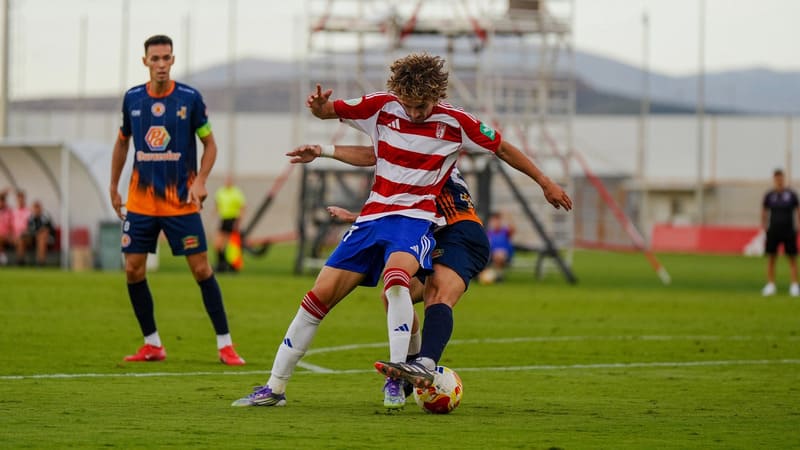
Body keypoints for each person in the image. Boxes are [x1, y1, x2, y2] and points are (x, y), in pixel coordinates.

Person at [231, 52, 572, 409]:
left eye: (421, 105)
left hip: (423, 223)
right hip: (372, 220)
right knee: (319, 295)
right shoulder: (381, 107)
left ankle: (399, 380)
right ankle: (275, 388)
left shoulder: (456, 124)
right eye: (407, 105)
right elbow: (347, 128)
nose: (413, 113)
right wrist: (320, 115)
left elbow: (501, 146)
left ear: (437, 95)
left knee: (397, 281)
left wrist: (545, 181)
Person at [310, 143, 492, 396]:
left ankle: (425, 364)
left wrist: (324, 150)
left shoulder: (428, 159)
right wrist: (358, 217)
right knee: (392, 293)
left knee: (436, 294)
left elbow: (381, 167)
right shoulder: (416, 157)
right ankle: (412, 365)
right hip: (434, 233)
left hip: (459, 230)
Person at [109, 34, 245, 365]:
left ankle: (225, 344)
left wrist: (200, 181)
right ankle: (152, 343)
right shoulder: (132, 99)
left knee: (201, 269)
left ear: (173, 60)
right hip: (141, 203)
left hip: (180, 202)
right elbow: (123, 142)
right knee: (132, 270)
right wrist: (113, 186)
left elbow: (210, 144)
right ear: (145, 62)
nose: (160, 64)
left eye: (166, 58)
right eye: (154, 59)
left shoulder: (189, 99)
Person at [761, 168, 800, 297]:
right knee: (772, 258)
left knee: (792, 258)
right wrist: (763, 227)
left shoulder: (791, 195)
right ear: (774, 180)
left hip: (788, 230)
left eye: (781, 178)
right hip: (773, 230)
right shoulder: (769, 196)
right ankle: (771, 285)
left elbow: (797, 210)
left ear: (783, 179)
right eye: (777, 179)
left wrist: (798, 226)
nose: (779, 181)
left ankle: (794, 285)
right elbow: (764, 212)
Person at [213, 175, 246, 272]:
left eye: (229, 180)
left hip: (233, 220)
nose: (227, 182)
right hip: (223, 219)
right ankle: (221, 264)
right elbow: (217, 205)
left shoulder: (237, 193)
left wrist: (239, 221)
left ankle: (233, 266)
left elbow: (242, 207)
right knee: (218, 244)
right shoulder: (221, 192)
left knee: (232, 246)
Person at [16, 200, 56, 266]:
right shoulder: (31, 218)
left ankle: (41, 262)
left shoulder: (45, 217)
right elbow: (29, 230)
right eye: (35, 207)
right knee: (21, 239)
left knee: (41, 238)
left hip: (47, 239)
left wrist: (37, 233)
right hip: (34, 238)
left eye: (38, 207)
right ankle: (20, 261)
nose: (36, 209)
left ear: (41, 208)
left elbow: (46, 231)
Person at [480, 211, 516, 283]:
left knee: (499, 254)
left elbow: (513, 229)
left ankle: (499, 276)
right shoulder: (489, 233)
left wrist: (509, 217)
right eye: (494, 221)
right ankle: (483, 275)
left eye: (497, 221)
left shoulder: (505, 232)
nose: (496, 223)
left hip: (505, 255)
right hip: (491, 256)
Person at [11, 190, 31, 265]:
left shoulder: (29, 211)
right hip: (13, 235)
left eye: (22, 198)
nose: (20, 200)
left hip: (26, 235)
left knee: (21, 239)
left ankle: (20, 261)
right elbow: (10, 225)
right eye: (19, 198)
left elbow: (30, 226)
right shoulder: (13, 211)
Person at [0, 190, 13, 265]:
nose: (1, 203)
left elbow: (11, 225)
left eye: (2, 201)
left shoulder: (9, 211)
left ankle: (2, 255)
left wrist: (10, 234)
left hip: (6, 235)